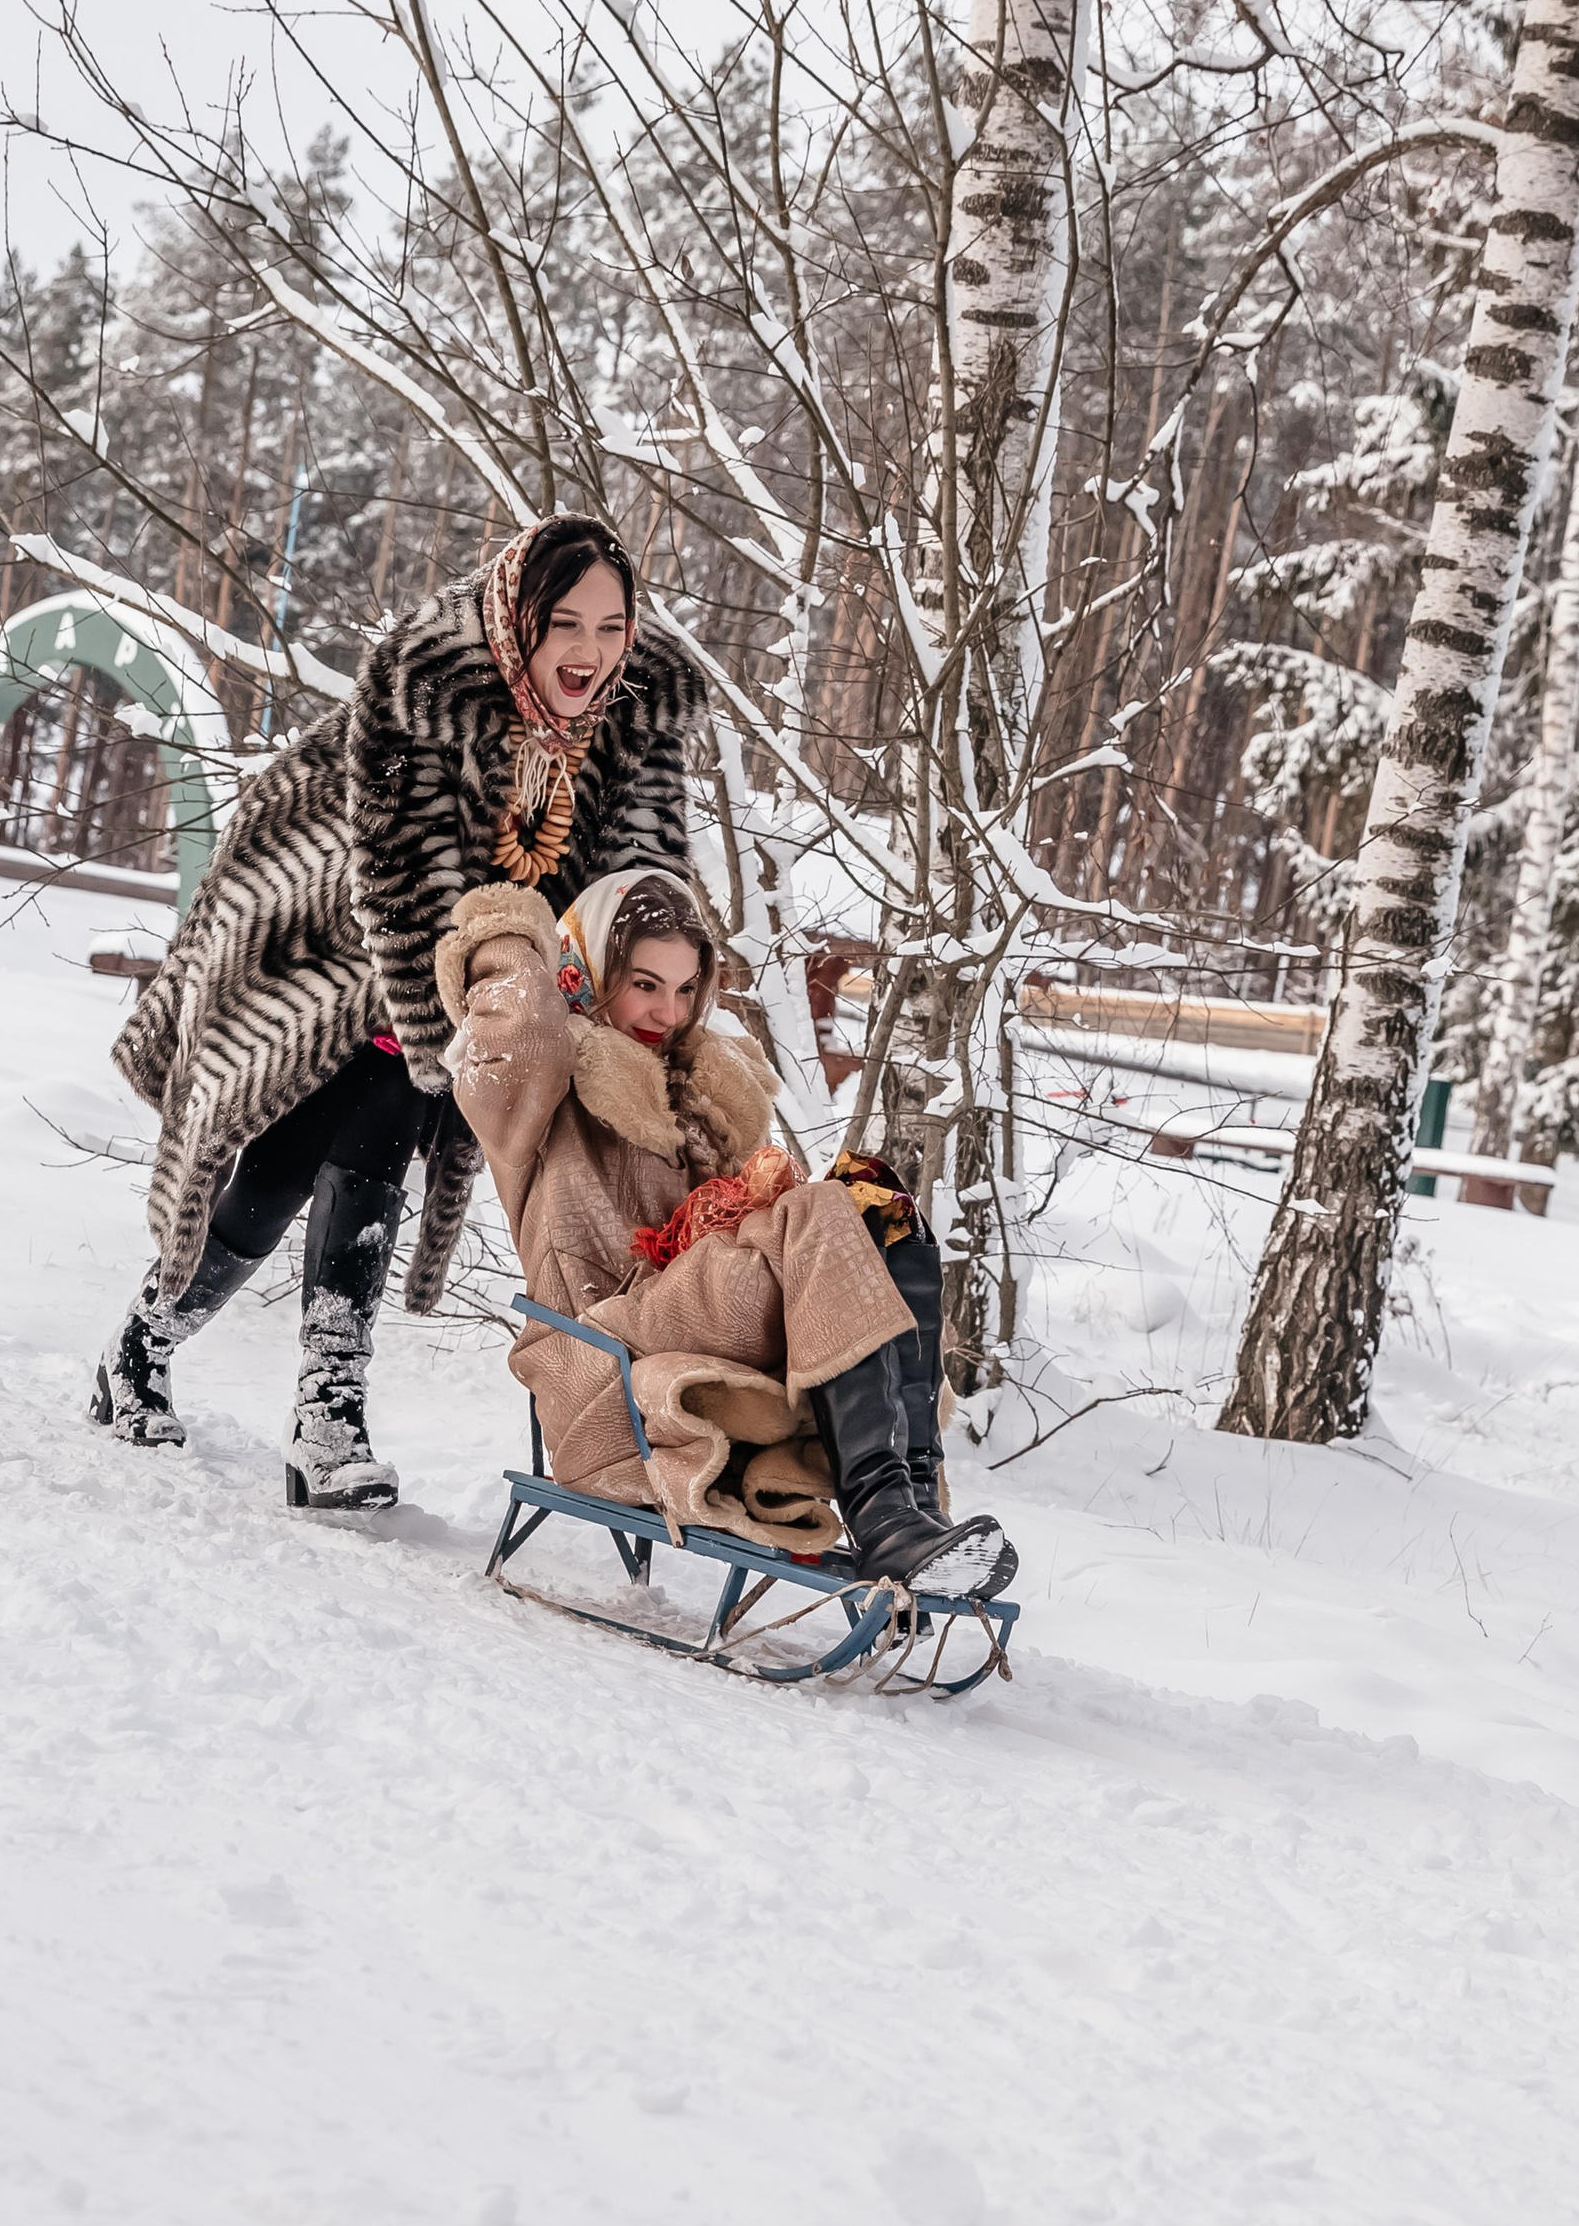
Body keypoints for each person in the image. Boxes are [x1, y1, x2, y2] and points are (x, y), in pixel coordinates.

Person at [93, 513, 701, 1508]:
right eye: (566, 624)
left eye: (611, 626)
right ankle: (292, 1403)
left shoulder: (637, 724)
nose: (590, 652)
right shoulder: (428, 687)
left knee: (314, 1152)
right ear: (518, 619)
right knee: (328, 1133)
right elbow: (402, 887)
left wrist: (642, 1005)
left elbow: (642, 885)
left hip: (482, 971)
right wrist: (458, 1047)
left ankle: (188, 1363)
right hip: (326, 937)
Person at [439, 859, 1017, 1596]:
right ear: (585, 971)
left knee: (877, 1203)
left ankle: (911, 1505)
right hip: (600, 1341)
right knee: (821, 1206)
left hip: (700, 1303)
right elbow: (523, 1028)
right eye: (644, 984)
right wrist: (509, 930)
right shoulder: (540, 1086)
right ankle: (885, 1519)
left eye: (685, 989)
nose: (668, 1012)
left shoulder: (704, 1093)